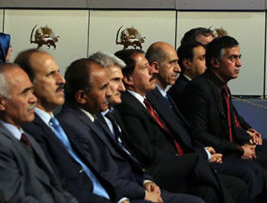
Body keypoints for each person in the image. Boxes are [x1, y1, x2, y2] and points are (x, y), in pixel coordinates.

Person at [114, 48, 248, 203]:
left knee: (218, 190)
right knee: (198, 163)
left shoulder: (149, 99)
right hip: (156, 169)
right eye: (145, 67)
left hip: (177, 163)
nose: (152, 71)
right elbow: (146, 153)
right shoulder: (126, 106)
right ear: (128, 79)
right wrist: (188, 159)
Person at [181, 37, 267, 203]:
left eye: (239, 57)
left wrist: (245, 140)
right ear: (214, 62)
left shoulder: (222, 86)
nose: (239, 64)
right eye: (232, 58)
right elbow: (199, 134)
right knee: (256, 171)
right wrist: (239, 149)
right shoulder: (199, 88)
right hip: (215, 154)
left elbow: (230, 121)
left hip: (229, 148)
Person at [57, 58, 173, 203]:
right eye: (102, 88)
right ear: (81, 96)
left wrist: (146, 181)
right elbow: (99, 175)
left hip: (135, 184)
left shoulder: (96, 116)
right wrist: (141, 194)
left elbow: (125, 158)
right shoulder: (72, 124)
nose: (108, 93)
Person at [15, 49, 113, 202]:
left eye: (59, 72)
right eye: (50, 74)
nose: (62, 80)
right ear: (28, 83)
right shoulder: (29, 131)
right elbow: (60, 186)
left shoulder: (58, 123)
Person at [0, 62, 78, 202]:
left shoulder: (25, 137)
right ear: (2, 103)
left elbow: (55, 189)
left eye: (31, 91)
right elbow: (16, 199)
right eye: (25, 93)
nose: (33, 99)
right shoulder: (2, 145)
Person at [167, 41, 207, 105]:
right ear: (187, 63)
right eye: (202, 59)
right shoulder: (184, 90)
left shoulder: (195, 85)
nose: (207, 63)